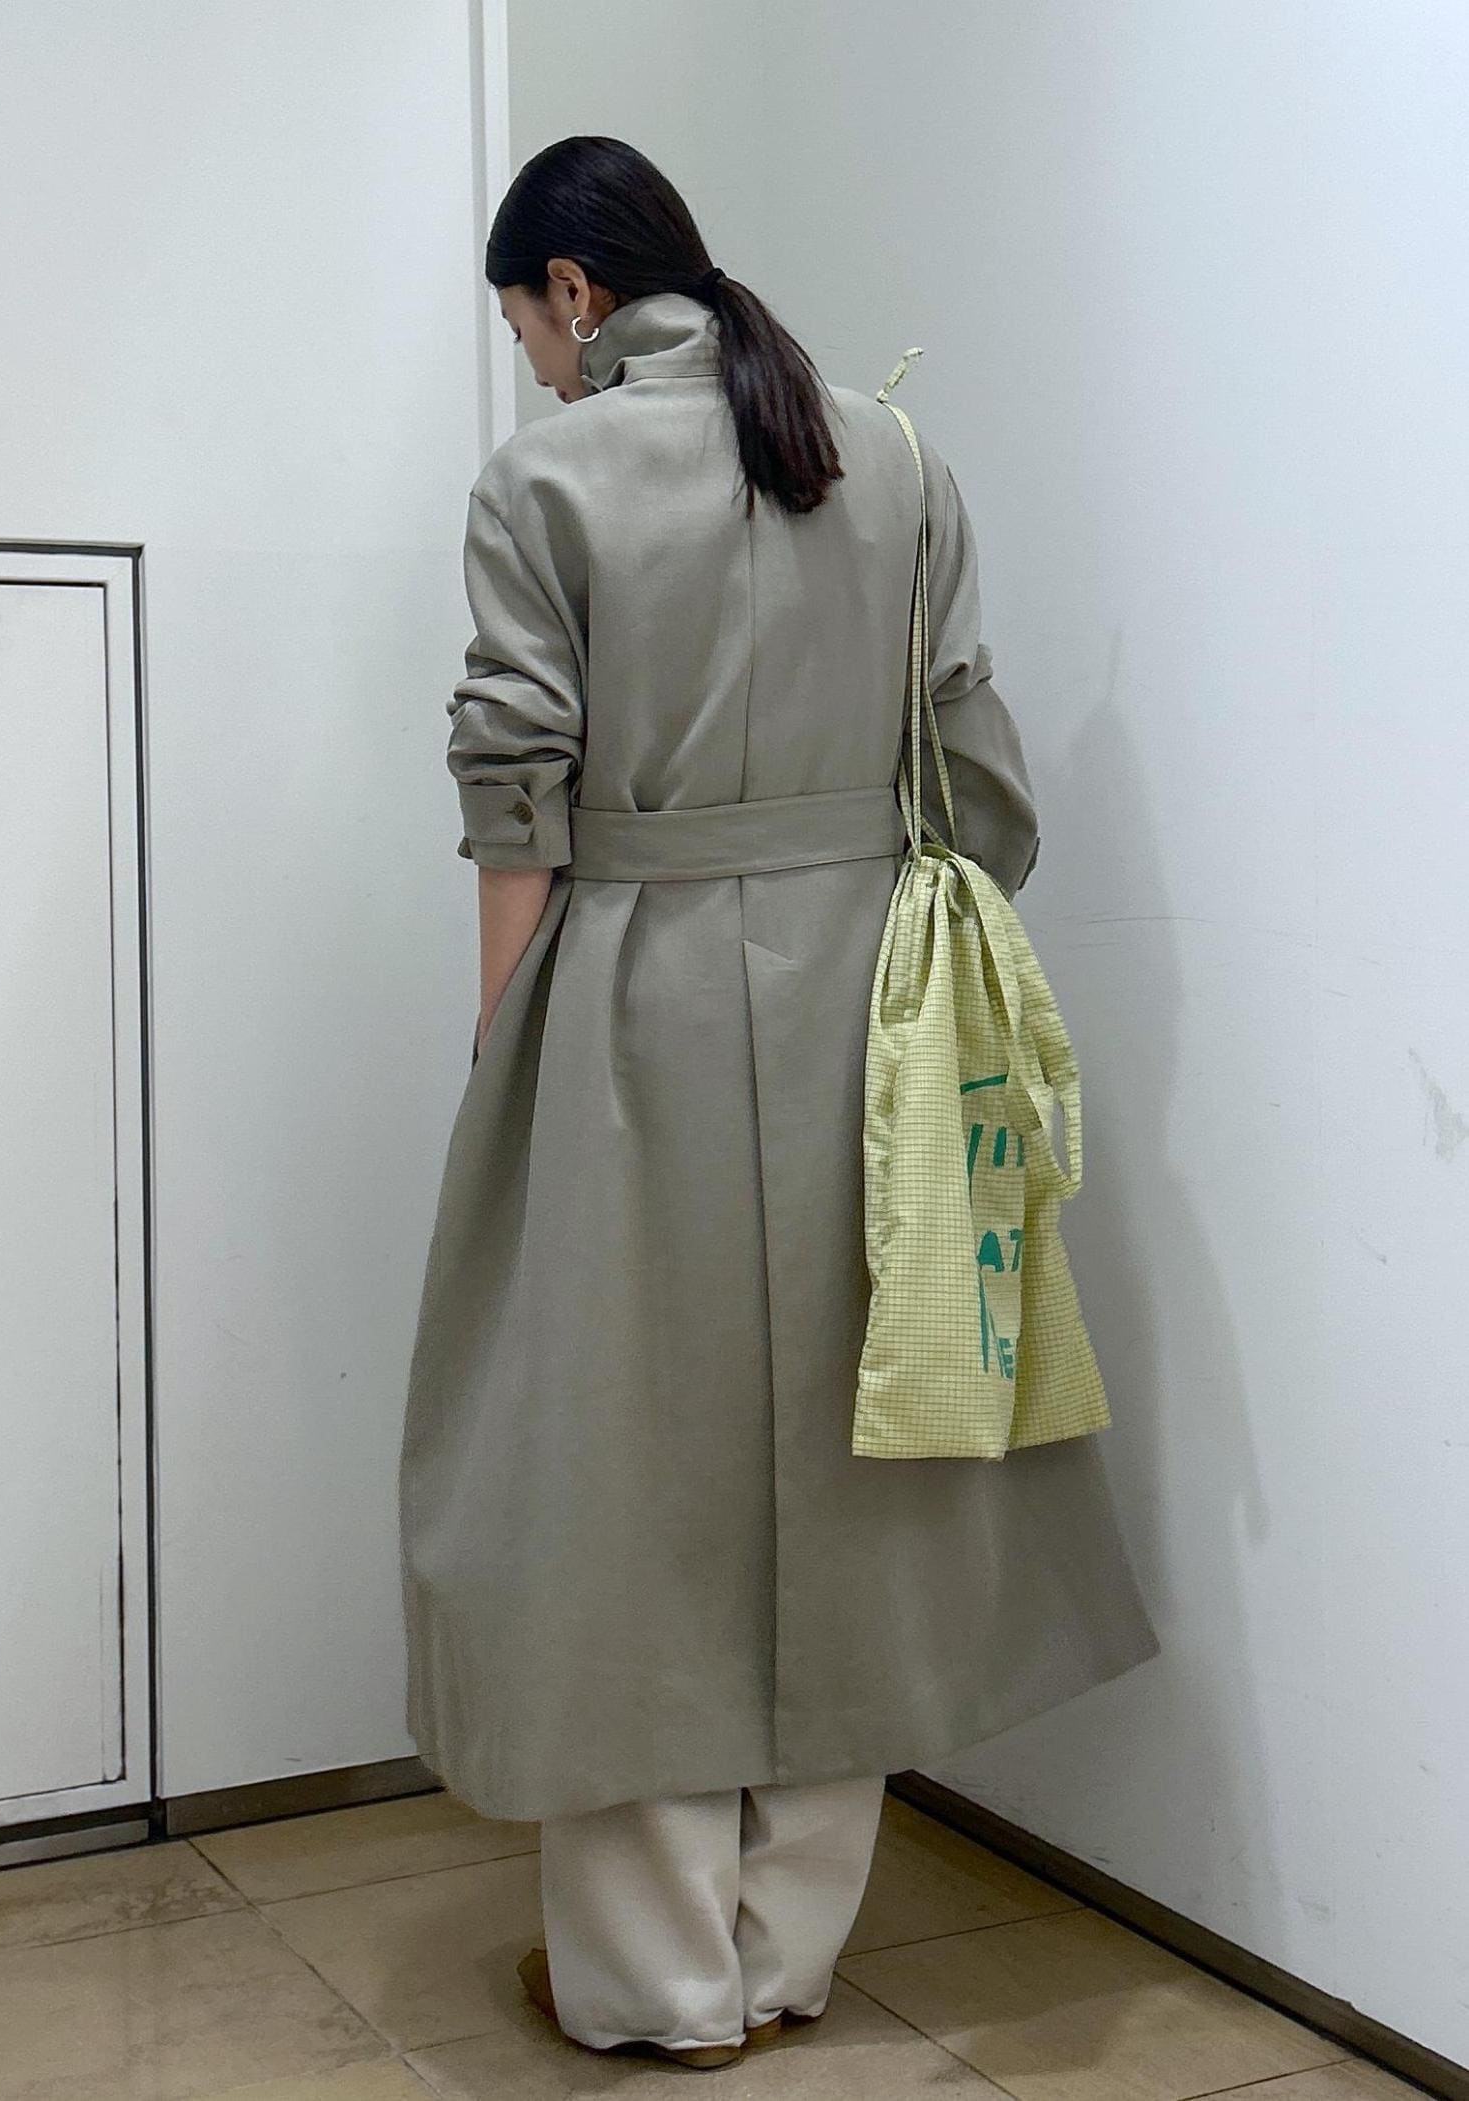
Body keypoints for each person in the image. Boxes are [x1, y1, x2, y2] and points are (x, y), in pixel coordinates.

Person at [396, 134, 1160, 2070]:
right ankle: (784, 1953)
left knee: (615, 1492)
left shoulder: (545, 482)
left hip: (626, 1010)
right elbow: (980, 779)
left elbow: (517, 794)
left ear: (576, 292)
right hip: (868, 1020)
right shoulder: (888, 456)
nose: (537, 370)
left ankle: (652, 1982)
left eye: (526, 330)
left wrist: (504, 1046)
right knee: (851, 1478)